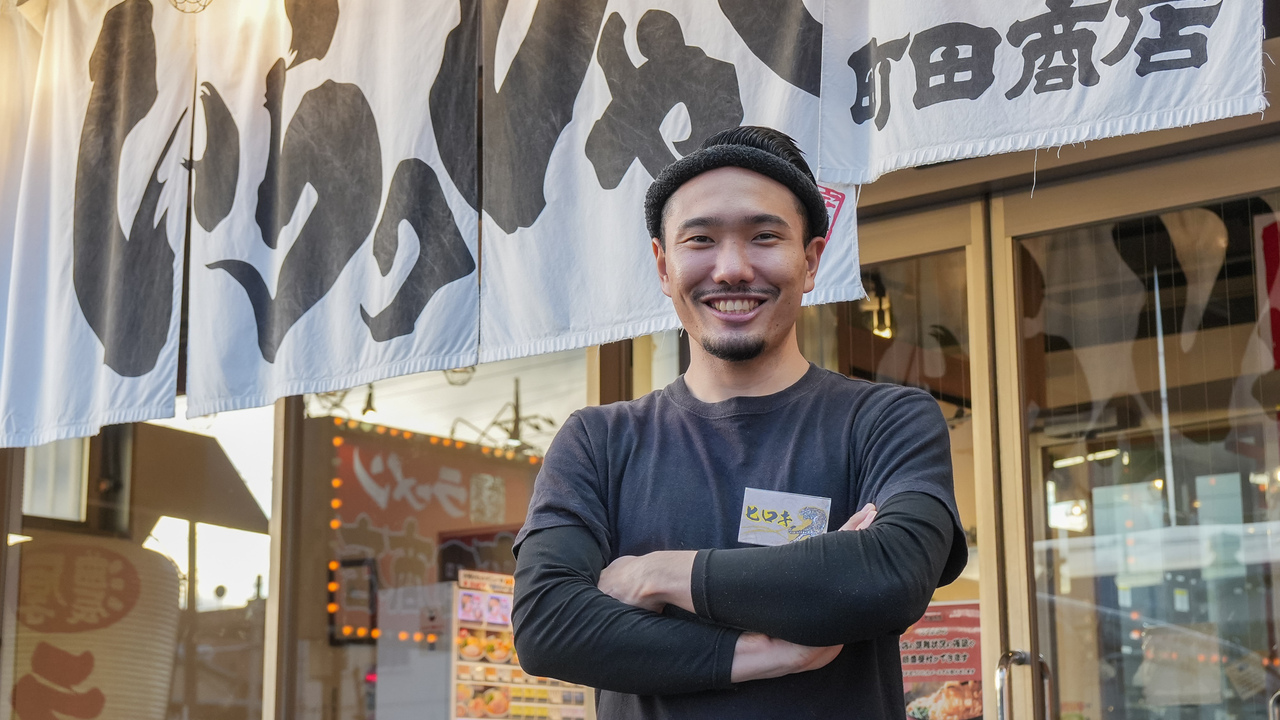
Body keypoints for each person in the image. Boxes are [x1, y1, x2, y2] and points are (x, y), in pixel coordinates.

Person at [511, 126, 968, 719]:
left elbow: (888, 576)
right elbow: (549, 623)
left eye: (764, 236)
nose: (730, 269)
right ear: (663, 264)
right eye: (700, 239)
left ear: (810, 261)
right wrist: (761, 653)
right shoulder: (598, 443)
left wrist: (658, 574)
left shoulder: (886, 421)